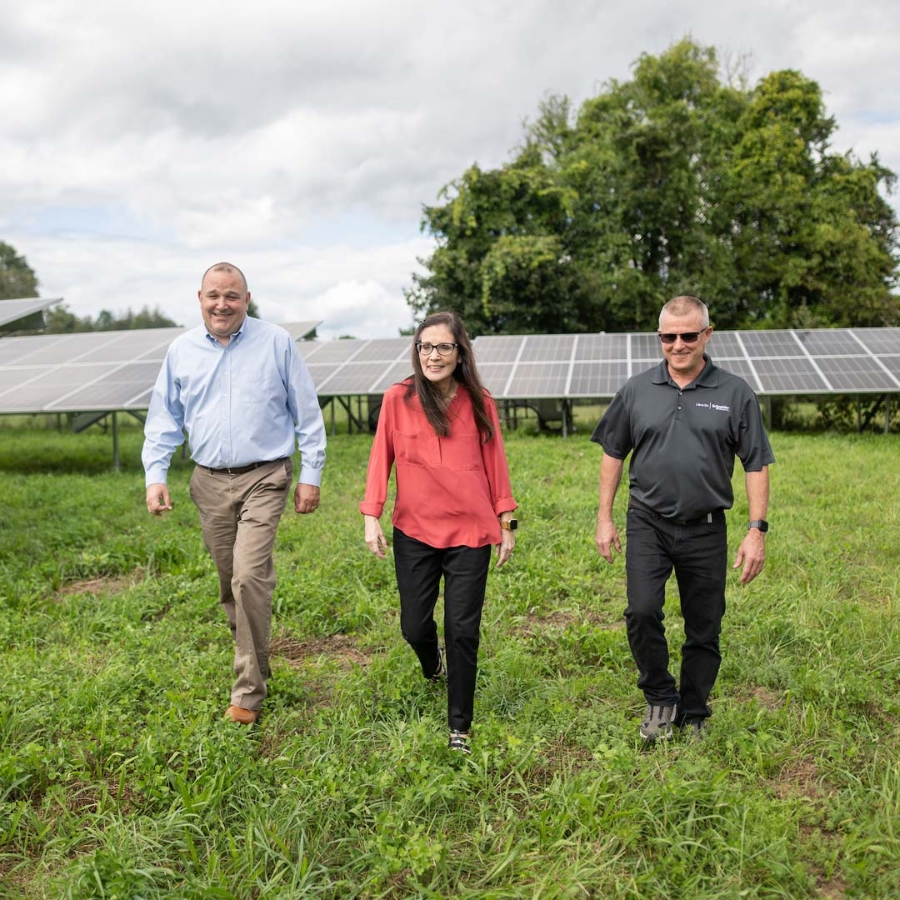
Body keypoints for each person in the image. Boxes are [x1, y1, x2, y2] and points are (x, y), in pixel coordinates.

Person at [142, 262, 326, 725]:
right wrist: (155, 475)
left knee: (248, 576)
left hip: (265, 475)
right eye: (213, 296)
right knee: (230, 584)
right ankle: (257, 654)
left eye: (232, 296)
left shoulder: (277, 343)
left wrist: (312, 473)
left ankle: (247, 693)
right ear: (199, 298)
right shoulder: (181, 351)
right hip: (207, 481)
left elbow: (306, 410)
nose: (221, 304)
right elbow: (164, 418)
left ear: (247, 299)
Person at [592, 295, 774, 742]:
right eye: (669, 337)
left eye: (688, 335)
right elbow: (613, 454)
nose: (678, 345)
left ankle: (693, 711)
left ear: (706, 335)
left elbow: (756, 464)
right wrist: (604, 518)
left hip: (706, 528)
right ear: (660, 338)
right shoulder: (636, 390)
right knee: (641, 611)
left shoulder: (734, 393)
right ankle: (660, 697)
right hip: (648, 523)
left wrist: (756, 530)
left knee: (704, 626)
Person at [361, 312, 517, 754]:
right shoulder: (398, 398)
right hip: (414, 530)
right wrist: (371, 514)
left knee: (463, 630)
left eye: (443, 347)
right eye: (425, 347)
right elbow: (380, 458)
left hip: (471, 532)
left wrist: (508, 523)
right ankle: (433, 666)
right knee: (414, 626)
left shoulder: (479, 401)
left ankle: (459, 728)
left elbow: (497, 467)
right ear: (416, 351)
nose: (433, 355)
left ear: (459, 352)